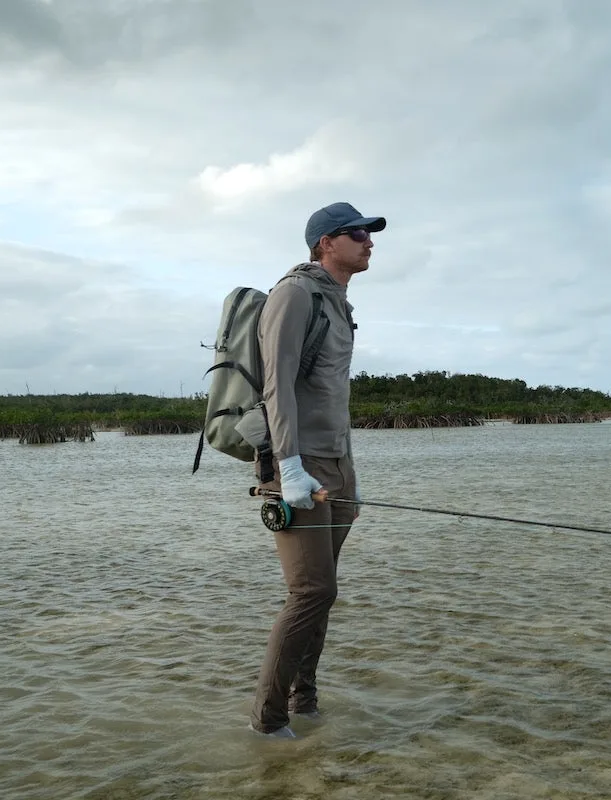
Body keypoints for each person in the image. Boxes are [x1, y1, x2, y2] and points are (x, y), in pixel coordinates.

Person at [249, 201, 385, 738]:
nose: (369, 242)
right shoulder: (295, 293)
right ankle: (267, 722)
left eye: (370, 234)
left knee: (324, 591)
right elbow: (277, 383)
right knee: (311, 592)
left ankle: (306, 704)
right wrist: (288, 466)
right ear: (326, 242)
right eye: (358, 234)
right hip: (299, 465)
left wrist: (345, 471)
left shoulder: (338, 299)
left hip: (338, 464)